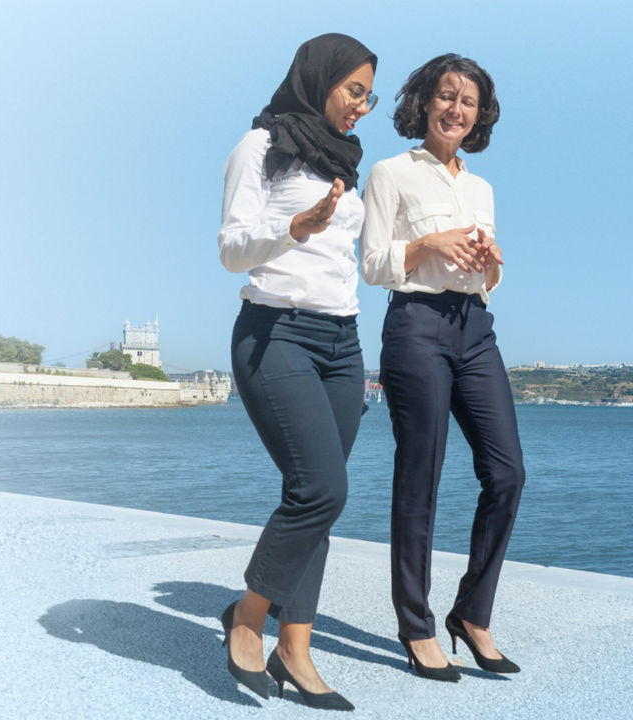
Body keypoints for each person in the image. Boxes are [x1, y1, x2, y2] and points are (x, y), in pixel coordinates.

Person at [217, 33, 377, 709]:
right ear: (320, 79)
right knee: (321, 490)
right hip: (275, 333)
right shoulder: (260, 147)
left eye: (370, 96)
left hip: (342, 346)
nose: (362, 108)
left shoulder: (345, 162)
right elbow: (230, 250)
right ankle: (249, 618)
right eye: (354, 91)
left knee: (315, 501)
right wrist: (296, 230)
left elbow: (359, 264)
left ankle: (296, 649)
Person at [360, 54, 525, 682]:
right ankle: (417, 626)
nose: (457, 110)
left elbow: (491, 279)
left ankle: (472, 615)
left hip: (475, 329)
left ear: (480, 116)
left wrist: (490, 258)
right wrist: (428, 243)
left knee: (508, 473)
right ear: (425, 101)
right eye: (446, 97)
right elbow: (373, 262)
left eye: (469, 102)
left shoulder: (480, 188)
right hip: (416, 326)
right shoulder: (390, 173)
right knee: (421, 477)